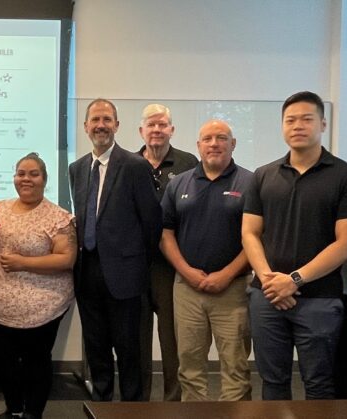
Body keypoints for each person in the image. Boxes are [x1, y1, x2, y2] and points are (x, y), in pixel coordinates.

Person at [241, 91, 347, 400]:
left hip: (319, 301)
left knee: (319, 384)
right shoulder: (263, 175)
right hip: (267, 298)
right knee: (272, 383)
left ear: (322, 124)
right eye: (290, 120)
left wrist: (294, 280)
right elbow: (249, 233)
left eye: (307, 119)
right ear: (283, 126)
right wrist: (271, 281)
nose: (298, 125)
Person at [70, 99, 163, 401]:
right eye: (95, 119)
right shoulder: (77, 168)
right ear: (86, 126)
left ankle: (132, 408)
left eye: (107, 119)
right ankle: (101, 404)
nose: (101, 125)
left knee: (128, 350)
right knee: (96, 347)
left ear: (117, 126)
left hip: (125, 276)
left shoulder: (136, 166)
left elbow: (151, 223)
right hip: (87, 273)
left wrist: (136, 264)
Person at [160, 120, 253, 401]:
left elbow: (256, 238)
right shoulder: (179, 183)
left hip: (234, 289)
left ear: (233, 144)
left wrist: (227, 274)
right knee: (189, 368)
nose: (214, 143)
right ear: (198, 146)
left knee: (235, 368)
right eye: (207, 139)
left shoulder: (251, 183)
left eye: (221, 138)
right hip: (187, 289)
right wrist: (187, 272)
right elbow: (165, 234)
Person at [0, 153, 76, 419]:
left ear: (44, 179)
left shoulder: (59, 217)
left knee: (37, 363)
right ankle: (13, 409)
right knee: (3, 363)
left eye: (33, 174)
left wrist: (24, 262)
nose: (26, 179)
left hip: (43, 309)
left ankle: (33, 413)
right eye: (21, 173)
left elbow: (66, 259)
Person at [136, 104, 197, 401]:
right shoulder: (129, 163)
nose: (157, 130)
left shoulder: (189, 163)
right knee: (137, 342)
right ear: (141, 131)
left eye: (163, 125)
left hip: (173, 266)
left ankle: (173, 404)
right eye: (151, 125)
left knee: (173, 342)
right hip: (135, 267)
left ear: (172, 129)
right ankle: (140, 405)